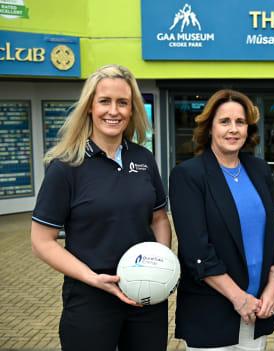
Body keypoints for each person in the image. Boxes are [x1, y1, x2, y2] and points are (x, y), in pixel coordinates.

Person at [31, 64, 172, 351]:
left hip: (145, 295)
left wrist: (162, 264)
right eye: (104, 101)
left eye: (123, 103)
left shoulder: (144, 158)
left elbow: (159, 218)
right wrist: (93, 278)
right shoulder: (66, 166)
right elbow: (42, 241)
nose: (114, 110)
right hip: (89, 296)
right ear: (89, 108)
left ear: (132, 110)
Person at [169, 89, 274, 351]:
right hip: (212, 312)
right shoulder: (188, 175)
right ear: (209, 127)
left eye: (240, 122)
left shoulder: (258, 170)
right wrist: (238, 298)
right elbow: (196, 251)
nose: (233, 129)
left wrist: (272, 288)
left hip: (258, 309)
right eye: (224, 121)